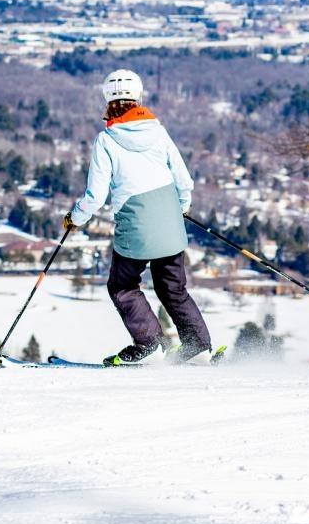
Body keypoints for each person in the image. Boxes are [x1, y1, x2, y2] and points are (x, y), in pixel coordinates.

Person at [64, 69, 213, 365]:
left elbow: (95, 195)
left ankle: (150, 344)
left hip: (135, 226)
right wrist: (182, 207)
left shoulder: (106, 140)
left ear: (107, 100)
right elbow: (183, 180)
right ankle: (197, 346)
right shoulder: (158, 131)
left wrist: (75, 218)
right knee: (172, 287)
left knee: (122, 286)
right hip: (169, 221)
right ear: (139, 97)